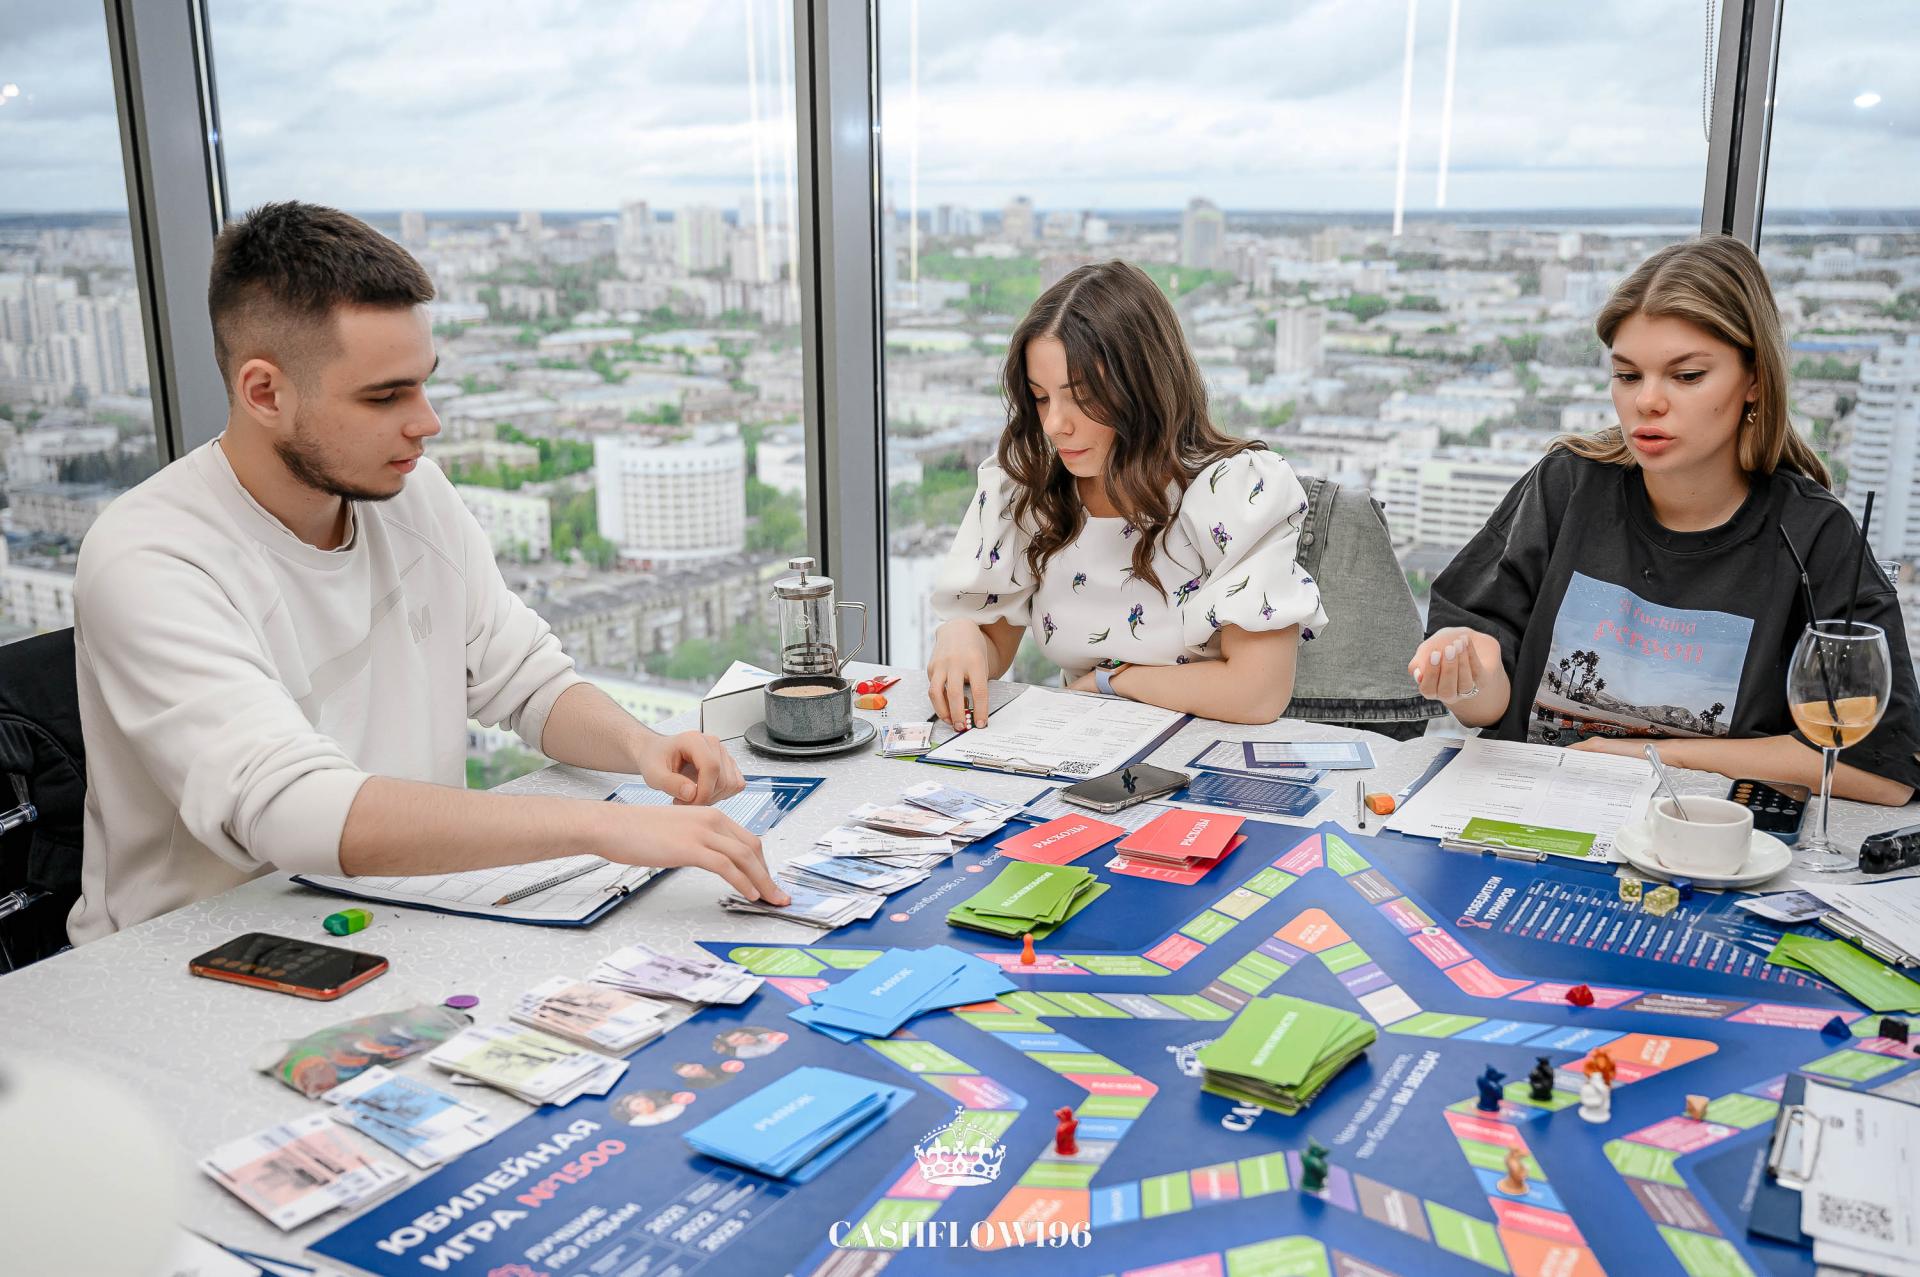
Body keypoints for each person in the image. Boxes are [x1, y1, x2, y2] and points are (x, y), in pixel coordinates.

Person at [68, 202, 787, 944]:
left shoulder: (410, 493)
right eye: (385, 396)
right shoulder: (150, 556)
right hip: (201, 954)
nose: (427, 421)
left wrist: (643, 750)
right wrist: (607, 827)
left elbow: (527, 680)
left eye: (422, 383)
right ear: (264, 393)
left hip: (409, 912)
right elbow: (292, 811)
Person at [1412, 235, 1919, 804]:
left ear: (1755, 379)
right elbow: (1488, 704)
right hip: (1524, 818)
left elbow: (1882, 771)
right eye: (1628, 376)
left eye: (1687, 376)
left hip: (1701, 839)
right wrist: (1467, 675)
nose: (1647, 402)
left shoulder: (1813, 535)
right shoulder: (1565, 486)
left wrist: (1650, 755)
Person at [925, 261, 1327, 728]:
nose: (1054, 424)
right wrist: (961, 633)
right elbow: (993, 644)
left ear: (1144, 387)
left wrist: (1111, 682)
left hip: (1204, 754)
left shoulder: (1233, 493)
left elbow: (1257, 693)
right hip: (1084, 747)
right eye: (1041, 397)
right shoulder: (1028, 492)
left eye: (1082, 396)